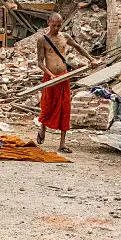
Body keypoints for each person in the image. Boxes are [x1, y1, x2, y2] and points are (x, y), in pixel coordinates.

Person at [36, 12, 86, 152]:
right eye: (54, 25)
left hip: (64, 77)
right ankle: (43, 128)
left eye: (59, 25)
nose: (56, 28)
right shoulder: (43, 40)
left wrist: (92, 59)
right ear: (48, 23)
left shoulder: (65, 37)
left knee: (65, 108)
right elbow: (40, 62)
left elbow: (79, 48)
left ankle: (62, 143)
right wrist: (50, 74)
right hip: (50, 79)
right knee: (47, 105)